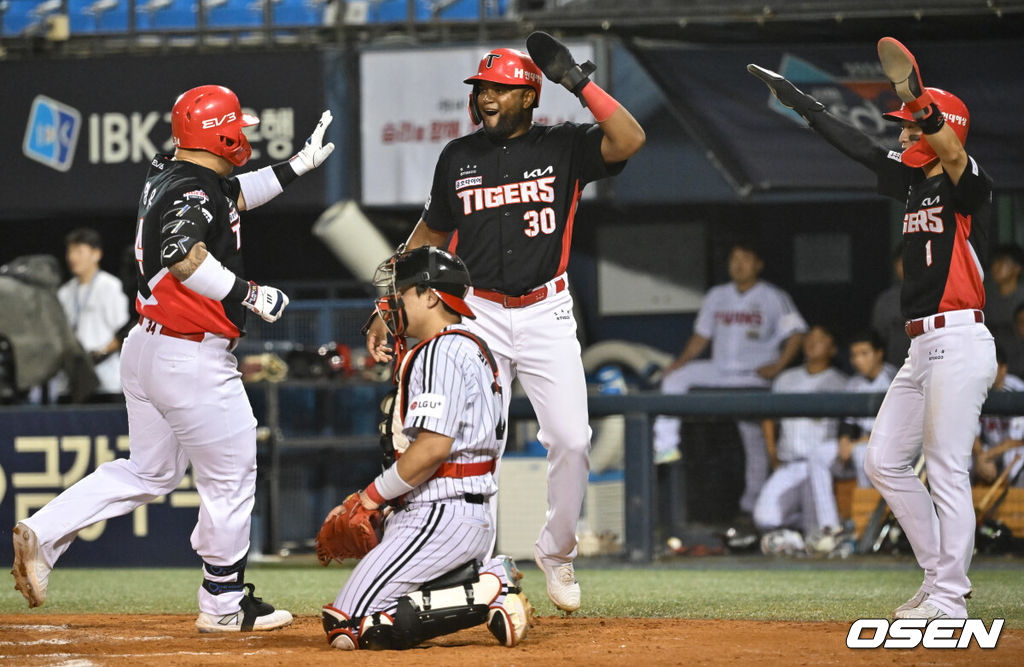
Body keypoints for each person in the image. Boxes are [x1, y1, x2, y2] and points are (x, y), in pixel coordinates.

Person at [11, 85, 336, 632]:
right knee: (232, 477)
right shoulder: (194, 189)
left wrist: (297, 166)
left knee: (149, 470)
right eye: (240, 126)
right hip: (190, 356)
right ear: (222, 134)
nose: (246, 136)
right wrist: (250, 295)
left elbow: (229, 196)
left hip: (147, 347)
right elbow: (185, 257)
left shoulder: (174, 170)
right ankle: (223, 604)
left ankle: (44, 531)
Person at [365, 33, 645, 613]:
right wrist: (387, 301)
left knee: (571, 439)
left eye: (499, 88)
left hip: (546, 309)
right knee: (465, 441)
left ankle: (557, 552)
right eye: (481, 88)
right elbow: (430, 235)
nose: (486, 96)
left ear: (528, 96)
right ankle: (465, 559)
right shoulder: (458, 158)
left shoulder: (565, 145)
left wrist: (579, 82)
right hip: (479, 313)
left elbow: (630, 138)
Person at [750, 36, 996, 619]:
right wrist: (801, 104)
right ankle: (939, 578)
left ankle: (952, 598)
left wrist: (921, 103)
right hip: (922, 345)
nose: (903, 135)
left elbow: (955, 158)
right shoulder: (913, 182)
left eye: (911, 129)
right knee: (882, 460)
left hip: (960, 336)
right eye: (906, 127)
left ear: (941, 130)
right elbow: (859, 146)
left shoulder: (966, 182)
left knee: (944, 467)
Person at [322, 246, 530, 650]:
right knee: (348, 618)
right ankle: (478, 582)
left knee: (350, 626)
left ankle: (490, 588)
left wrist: (367, 499)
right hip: (441, 509)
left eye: (401, 291)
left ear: (430, 295)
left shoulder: (442, 350)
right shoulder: (462, 346)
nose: (390, 302)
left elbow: (433, 448)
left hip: (441, 515)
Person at [652, 242, 807, 516]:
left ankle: (751, 504)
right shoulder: (717, 295)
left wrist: (777, 366)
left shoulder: (772, 296)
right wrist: (678, 363)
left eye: (745, 258)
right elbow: (701, 337)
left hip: (752, 375)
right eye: (734, 258)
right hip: (720, 370)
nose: (738, 264)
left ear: (758, 264)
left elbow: (796, 333)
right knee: (675, 379)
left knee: (754, 441)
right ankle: (665, 445)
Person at [753, 325, 847, 553]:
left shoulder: (841, 382)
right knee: (764, 518)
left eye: (821, 339)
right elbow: (769, 418)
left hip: (821, 468)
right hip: (789, 463)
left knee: (818, 529)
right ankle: (795, 537)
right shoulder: (786, 378)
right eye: (810, 338)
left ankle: (808, 537)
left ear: (833, 349)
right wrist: (773, 456)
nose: (813, 343)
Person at [55, 227, 129, 401]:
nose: (73, 257)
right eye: (70, 252)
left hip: (105, 381)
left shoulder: (110, 287)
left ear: (96, 254)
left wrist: (99, 354)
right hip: (71, 382)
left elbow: (123, 332)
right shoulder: (64, 292)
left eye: (79, 251)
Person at [827, 330, 897, 488]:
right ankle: (828, 514)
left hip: (893, 445)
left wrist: (856, 443)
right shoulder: (853, 383)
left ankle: (866, 508)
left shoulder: (895, 378)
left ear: (879, 353)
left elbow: (897, 428)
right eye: (854, 355)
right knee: (818, 456)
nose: (859, 360)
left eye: (864, 353)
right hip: (862, 442)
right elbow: (848, 422)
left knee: (861, 454)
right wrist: (844, 440)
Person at [973, 346, 1024, 486]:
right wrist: (980, 456)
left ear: (1003, 368)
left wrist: (986, 456)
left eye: (991, 367)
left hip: (1010, 449)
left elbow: (1017, 439)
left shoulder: (1018, 389)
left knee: (1014, 460)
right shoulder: (976, 388)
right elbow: (971, 431)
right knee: (963, 458)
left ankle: (1016, 504)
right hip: (986, 449)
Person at [870, 244, 911, 367]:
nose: (906, 267)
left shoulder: (936, 294)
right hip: (894, 369)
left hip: (930, 364)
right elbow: (878, 339)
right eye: (901, 262)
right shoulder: (886, 300)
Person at [983, 243, 1024, 353]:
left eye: (1001, 262)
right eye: (994, 262)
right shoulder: (984, 299)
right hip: (992, 363)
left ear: (1017, 268)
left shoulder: (1021, 299)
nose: (995, 267)